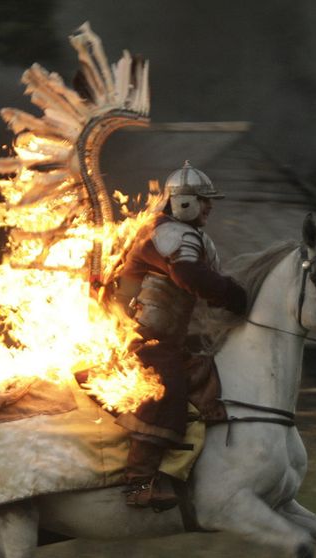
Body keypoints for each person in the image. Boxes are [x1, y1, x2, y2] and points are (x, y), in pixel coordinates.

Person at [112, 161, 248, 510]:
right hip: (137, 338)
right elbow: (192, 278)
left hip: (167, 339)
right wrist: (235, 295)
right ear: (184, 201)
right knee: (165, 389)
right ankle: (138, 482)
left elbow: (206, 284)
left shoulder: (192, 237)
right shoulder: (169, 233)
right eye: (204, 200)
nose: (210, 207)